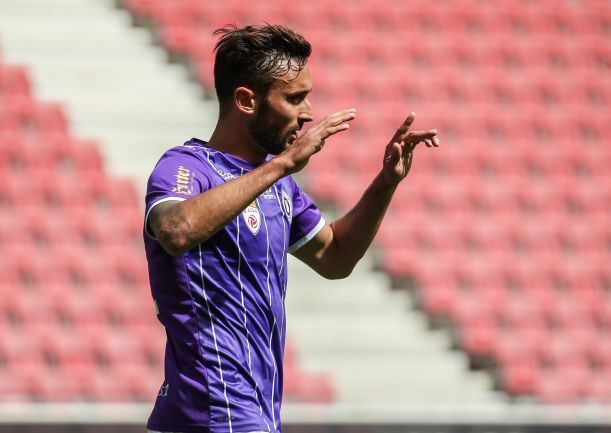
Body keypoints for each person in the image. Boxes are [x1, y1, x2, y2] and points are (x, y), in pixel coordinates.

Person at [143, 24, 439, 433]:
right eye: (295, 98)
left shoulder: (277, 184)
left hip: (253, 412)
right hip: (212, 412)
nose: (309, 113)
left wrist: (385, 184)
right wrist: (283, 164)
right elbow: (176, 230)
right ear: (246, 101)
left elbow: (335, 257)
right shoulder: (186, 167)